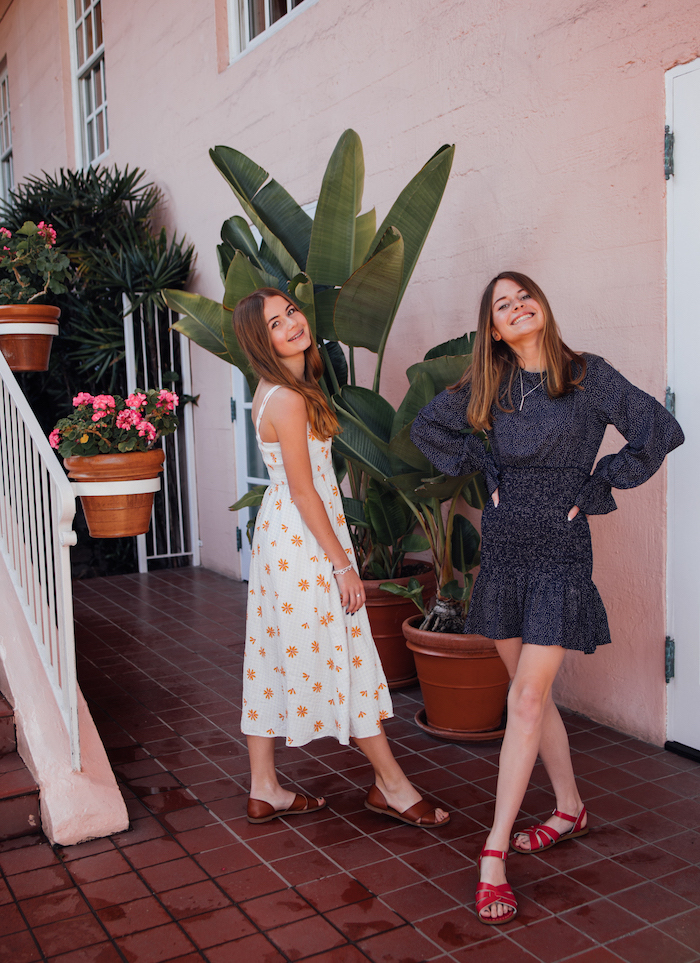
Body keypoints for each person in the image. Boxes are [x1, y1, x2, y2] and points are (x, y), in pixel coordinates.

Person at [410, 271, 684, 924]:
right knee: (531, 692)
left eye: (523, 294)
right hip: (504, 547)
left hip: (561, 550)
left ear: (542, 306)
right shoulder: (492, 383)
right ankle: (568, 808)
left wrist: (593, 488)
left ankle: (493, 853)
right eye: (502, 304)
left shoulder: (589, 375)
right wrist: (487, 466)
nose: (516, 305)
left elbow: (658, 429)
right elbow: (428, 428)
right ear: (495, 330)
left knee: (526, 698)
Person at [234, 288, 449, 829]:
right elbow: (307, 491)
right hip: (304, 542)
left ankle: (265, 786)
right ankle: (392, 786)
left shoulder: (276, 390)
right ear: (261, 340)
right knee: (345, 655)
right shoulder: (286, 398)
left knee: (270, 651)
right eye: (275, 323)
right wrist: (342, 564)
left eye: (291, 312)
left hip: (282, 536)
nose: (291, 324)